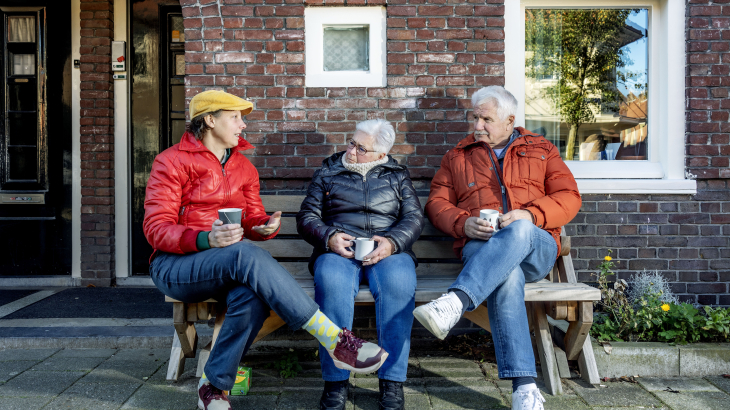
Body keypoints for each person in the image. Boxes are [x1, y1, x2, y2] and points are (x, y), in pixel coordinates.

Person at [144, 90, 389, 410]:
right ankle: (333, 338)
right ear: (209, 120)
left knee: (252, 294)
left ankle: (213, 387)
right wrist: (206, 239)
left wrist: (261, 226)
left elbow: (251, 217)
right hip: (176, 265)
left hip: (227, 264)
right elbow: (156, 229)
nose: (243, 125)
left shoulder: (243, 167)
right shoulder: (171, 161)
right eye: (235, 117)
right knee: (244, 254)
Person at [413, 86, 581, 410]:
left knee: (519, 228)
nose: (477, 126)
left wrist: (529, 214)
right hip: (482, 247)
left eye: (486, 119)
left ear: (509, 121)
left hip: (536, 247)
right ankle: (525, 390)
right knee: (508, 276)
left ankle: (454, 302)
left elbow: (569, 197)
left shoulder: (542, 150)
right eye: (475, 117)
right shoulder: (457, 156)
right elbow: (436, 204)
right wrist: (463, 224)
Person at [297, 119, 423, 410]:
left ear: (381, 154)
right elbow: (306, 217)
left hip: (387, 252)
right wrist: (329, 238)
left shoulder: (397, 175)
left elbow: (414, 218)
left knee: (399, 284)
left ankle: (392, 382)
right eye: (351, 142)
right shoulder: (328, 172)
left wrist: (392, 242)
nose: (351, 150)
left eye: (361, 148)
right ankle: (335, 382)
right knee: (332, 283)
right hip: (339, 252)